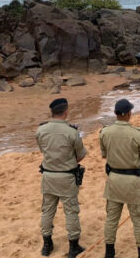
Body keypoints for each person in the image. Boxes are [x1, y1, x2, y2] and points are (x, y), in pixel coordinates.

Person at [100, 99, 140, 258]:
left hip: (114, 179)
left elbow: (104, 155)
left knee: (111, 219)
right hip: (133, 181)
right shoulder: (137, 133)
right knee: (139, 220)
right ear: (129, 113)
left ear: (116, 113)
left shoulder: (105, 132)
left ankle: (109, 253)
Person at [36, 98, 87, 257]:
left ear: (52, 113)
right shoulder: (72, 132)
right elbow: (80, 156)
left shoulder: (41, 130)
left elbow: (43, 151)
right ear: (66, 112)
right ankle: (73, 247)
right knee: (71, 211)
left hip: (48, 176)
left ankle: (46, 245)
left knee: (47, 210)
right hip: (66, 177)